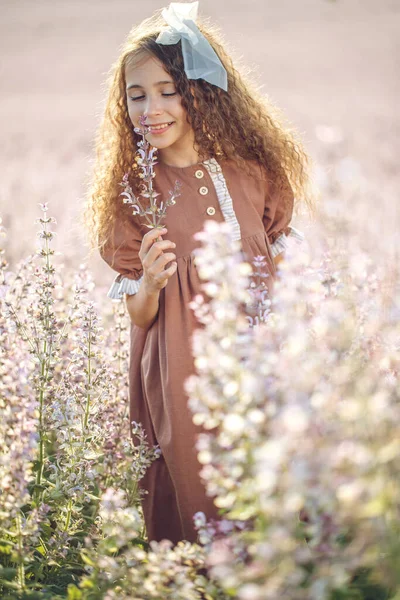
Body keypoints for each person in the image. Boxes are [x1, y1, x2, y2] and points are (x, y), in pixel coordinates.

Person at [85, 1, 315, 544]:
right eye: (136, 95)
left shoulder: (252, 171)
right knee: (200, 489)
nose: (151, 108)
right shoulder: (134, 194)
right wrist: (150, 283)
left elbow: (281, 264)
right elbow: (138, 314)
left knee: (275, 477)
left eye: (168, 90)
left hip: (263, 358)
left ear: (199, 90)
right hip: (181, 367)